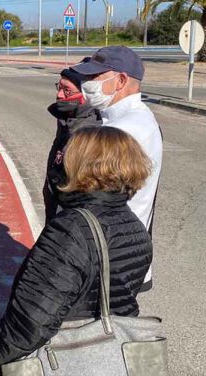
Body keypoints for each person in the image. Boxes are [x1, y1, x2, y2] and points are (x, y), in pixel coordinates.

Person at [0, 126, 153, 374]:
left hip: (64, 358)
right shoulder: (134, 226)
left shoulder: (71, 229)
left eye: (68, 155)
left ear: (82, 164)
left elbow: (32, 321)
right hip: (110, 357)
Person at [70, 46, 162, 291]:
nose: (87, 83)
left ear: (120, 80)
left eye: (94, 77)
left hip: (108, 257)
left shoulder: (123, 131)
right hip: (120, 252)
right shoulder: (136, 117)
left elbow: (84, 194)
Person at [43, 68, 101, 224]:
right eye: (59, 87)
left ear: (86, 94)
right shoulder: (67, 119)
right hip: (55, 208)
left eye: (67, 90)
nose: (59, 95)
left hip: (70, 220)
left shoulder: (88, 131)